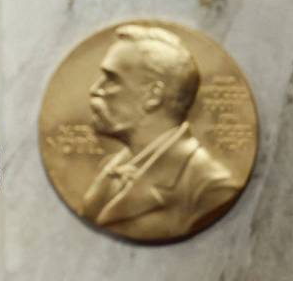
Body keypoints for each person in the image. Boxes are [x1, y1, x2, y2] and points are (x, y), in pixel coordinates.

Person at [81, 25, 239, 240]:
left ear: (153, 95)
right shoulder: (111, 171)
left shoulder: (211, 189)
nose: (95, 89)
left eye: (111, 78)